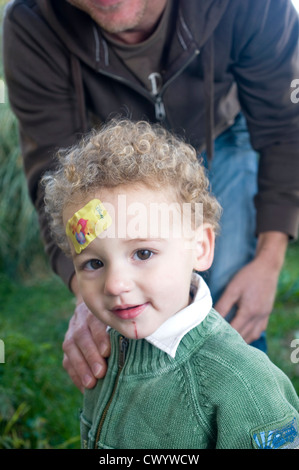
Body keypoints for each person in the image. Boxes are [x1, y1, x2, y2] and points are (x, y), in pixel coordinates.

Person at [3, 0, 299, 391]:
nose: (114, 286)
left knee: (227, 294)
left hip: (226, 130)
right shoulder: (31, 24)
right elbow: (56, 177)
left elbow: (285, 130)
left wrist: (268, 261)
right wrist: (84, 292)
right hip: (117, 167)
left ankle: (242, 393)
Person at [42, 119, 299, 449]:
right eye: (94, 263)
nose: (116, 284)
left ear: (200, 247)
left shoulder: (243, 385)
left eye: (143, 253)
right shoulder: (106, 350)